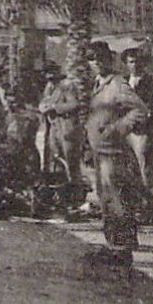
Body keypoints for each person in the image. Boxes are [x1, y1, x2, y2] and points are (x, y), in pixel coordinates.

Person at [85, 42, 150, 266]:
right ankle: (114, 245)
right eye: (92, 58)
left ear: (110, 59)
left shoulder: (118, 84)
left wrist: (117, 129)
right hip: (100, 153)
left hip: (114, 153)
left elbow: (140, 110)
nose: (97, 62)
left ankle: (123, 249)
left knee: (118, 200)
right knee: (107, 201)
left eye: (101, 57)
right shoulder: (96, 84)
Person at [124, 47, 153, 226]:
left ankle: (150, 210)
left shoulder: (151, 84)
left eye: (137, 61)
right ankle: (132, 208)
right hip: (125, 131)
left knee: (145, 170)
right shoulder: (123, 82)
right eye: (131, 62)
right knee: (128, 169)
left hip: (142, 132)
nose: (134, 65)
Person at [38, 62, 87, 210]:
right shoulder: (49, 87)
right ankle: (61, 197)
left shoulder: (67, 85)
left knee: (71, 163)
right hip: (53, 128)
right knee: (56, 161)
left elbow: (74, 104)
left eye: (51, 73)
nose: (49, 77)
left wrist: (55, 108)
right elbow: (43, 102)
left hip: (67, 128)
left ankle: (76, 198)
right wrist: (43, 108)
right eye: (47, 74)